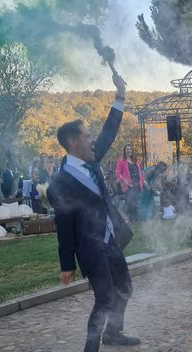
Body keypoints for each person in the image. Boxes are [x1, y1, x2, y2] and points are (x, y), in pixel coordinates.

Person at [47, 71, 139, 352]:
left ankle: (113, 333)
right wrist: (66, 264)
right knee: (104, 299)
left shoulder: (92, 158)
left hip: (110, 240)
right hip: (90, 249)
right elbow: (63, 224)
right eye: (87, 136)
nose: (92, 140)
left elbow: (109, 132)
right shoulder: (60, 183)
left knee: (125, 288)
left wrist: (120, 96)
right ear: (74, 142)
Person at [115, 145, 145, 222]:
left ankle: (135, 218)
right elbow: (117, 173)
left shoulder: (136, 160)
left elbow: (140, 173)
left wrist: (142, 181)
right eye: (127, 149)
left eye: (130, 149)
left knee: (136, 201)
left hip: (137, 185)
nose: (129, 151)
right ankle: (129, 218)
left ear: (132, 150)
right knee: (130, 202)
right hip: (129, 186)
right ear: (125, 151)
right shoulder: (122, 161)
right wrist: (126, 182)